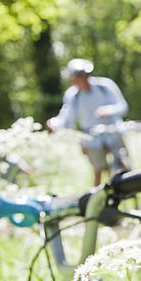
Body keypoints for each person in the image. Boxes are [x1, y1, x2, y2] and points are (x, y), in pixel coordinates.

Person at [47, 58, 131, 186]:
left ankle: (132, 195)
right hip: (92, 138)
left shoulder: (105, 86)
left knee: (124, 166)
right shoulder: (73, 96)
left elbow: (123, 106)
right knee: (99, 170)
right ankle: (97, 201)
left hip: (113, 132)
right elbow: (67, 119)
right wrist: (54, 124)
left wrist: (109, 110)